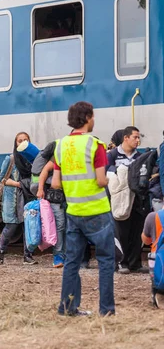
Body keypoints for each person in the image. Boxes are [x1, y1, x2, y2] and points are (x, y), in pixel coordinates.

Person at [52, 101, 115, 317]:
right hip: (97, 210)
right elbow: (100, 180)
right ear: (88, 118)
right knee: (106, 260)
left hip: (74, 212)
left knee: (72, 262)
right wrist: (109, 179)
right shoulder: (95, 144)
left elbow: (56, 183)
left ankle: (67, 308)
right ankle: (106, 311)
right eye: (93, 116)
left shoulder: (60, 145)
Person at [107, 126, 147, 274]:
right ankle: (122, 263)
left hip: (137, 200)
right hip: (119, 200)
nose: (138, 140)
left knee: (137, 231)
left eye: (138, 138)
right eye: (135, 137)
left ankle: (135, 262)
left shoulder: (140, 157)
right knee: (121, 232)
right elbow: (106, 172)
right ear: (126, 138)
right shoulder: (112, 155)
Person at [0, 132, 38, 265]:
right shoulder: (11, 159)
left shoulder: (33, 160)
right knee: (11, 226)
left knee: (28, 226)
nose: (23, 142)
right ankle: (0, 253)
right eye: (20, 140)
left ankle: (27, 256)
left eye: (26, 140)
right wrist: (19, 184)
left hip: (28, 195)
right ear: (16, 143)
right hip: (12, 197)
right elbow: (2, 179)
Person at [35, 141, 67, 268]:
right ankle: (58, 255)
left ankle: (68, 255)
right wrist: (40, 189)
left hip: (72, 195)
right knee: (60, 225)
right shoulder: (60, 156)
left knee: (69, 226)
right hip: (57, 196)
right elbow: (45, 171)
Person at [141, 210, 164, 309]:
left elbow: (146, 240)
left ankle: (157, 294)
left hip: (158, 262)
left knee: (154, 260)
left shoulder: (153, 216)